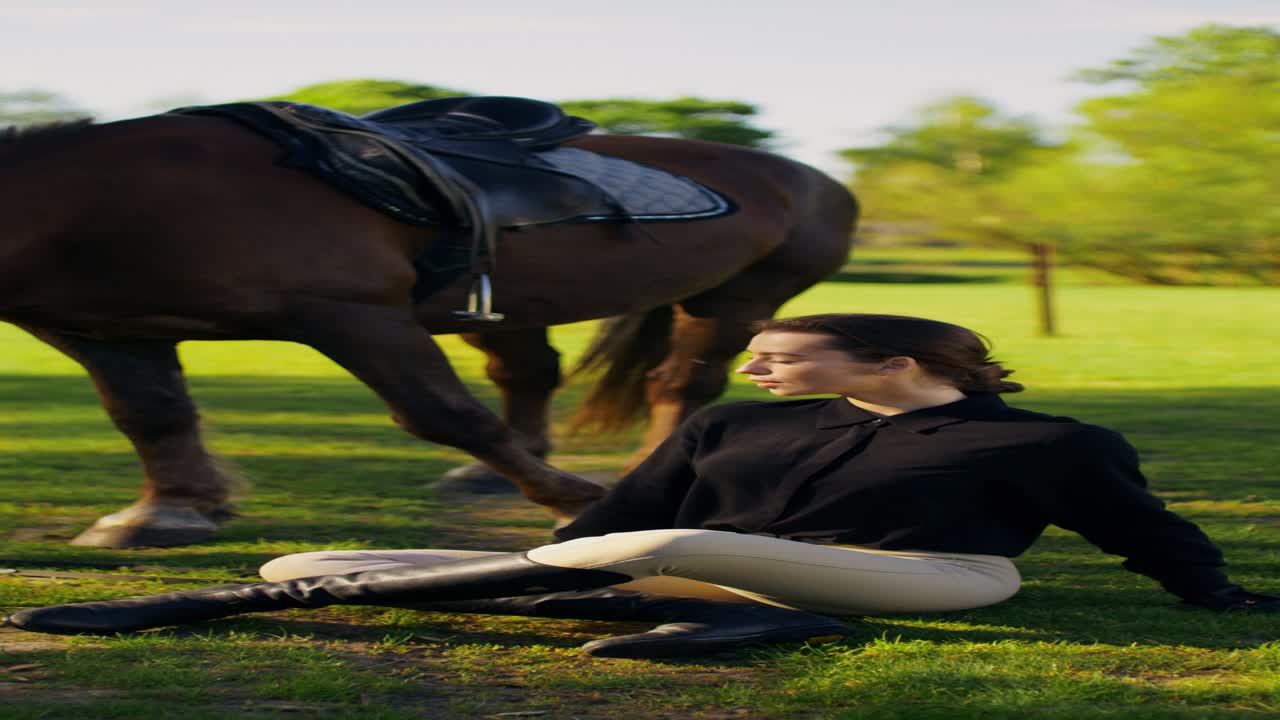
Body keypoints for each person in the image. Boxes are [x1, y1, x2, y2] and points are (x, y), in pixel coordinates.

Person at [7, 313, 1278, 658]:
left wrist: (1214, 598)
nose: (755, 364)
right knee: (313, 548)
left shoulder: (1046, 440)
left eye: (785, 353)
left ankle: (227, 604)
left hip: (935, 577)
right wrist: (579, 546)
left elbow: (1141, 528)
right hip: (675, 560)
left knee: (637, 552)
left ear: (892, 362)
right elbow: (619, 511)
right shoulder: (731, 419)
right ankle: (772, 621)